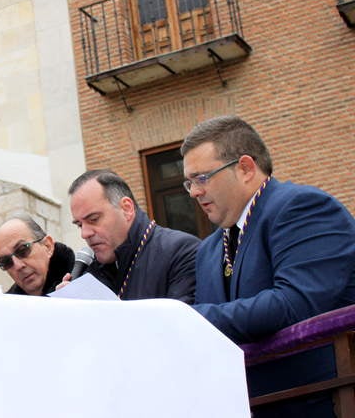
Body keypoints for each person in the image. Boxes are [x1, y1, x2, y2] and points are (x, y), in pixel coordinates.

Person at [182, 115, 355, 417]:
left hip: (322, 401)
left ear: (245, 168)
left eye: (203, 177)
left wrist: (184, 317)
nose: (195, 191)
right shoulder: (208, 249)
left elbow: (294, 303)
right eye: (189, 182)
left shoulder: (302, 207)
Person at [65, 170, 199, 302]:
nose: (85, 233)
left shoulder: (181, 252)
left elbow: (180, 321)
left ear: (126, 209)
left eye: (93, 219)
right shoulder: (91, 272)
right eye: (79, 225)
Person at [0, 214, 74, 296]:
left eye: (22, 250)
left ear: (47, 246)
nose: (18, 266)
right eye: (6, 262)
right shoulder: (8, 306)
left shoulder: (82, 283)